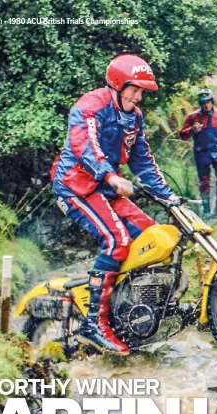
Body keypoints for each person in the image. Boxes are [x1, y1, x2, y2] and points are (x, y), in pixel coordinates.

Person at [52, 55, 179, 353]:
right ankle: (94, 323)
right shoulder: (90, 107)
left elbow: (143, 160)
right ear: (119, 84)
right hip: (75, 186)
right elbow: (86, 147)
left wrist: (169, 197)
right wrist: (109, 176)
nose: (140, 96)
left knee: (149, 234)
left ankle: (130, 311)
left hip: (107, 186)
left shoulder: (134, 117)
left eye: (143, 91)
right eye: (136, 89)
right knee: (116, 239)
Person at [180, 89, 217, 218]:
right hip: (201, 153)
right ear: (200, 103)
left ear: (212, 102)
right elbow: (182, 135)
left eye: (208, 102)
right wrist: (192, 130)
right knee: (204, 181)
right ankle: (206, 210)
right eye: (203, 103)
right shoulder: (193, 117)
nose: (206, 105)